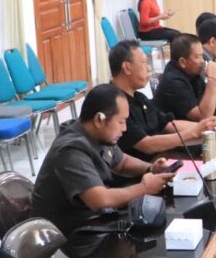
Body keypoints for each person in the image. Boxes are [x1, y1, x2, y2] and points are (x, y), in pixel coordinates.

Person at [30, 85, 175, 235]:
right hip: (65, 234)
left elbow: (121, 162)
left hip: (89, 220)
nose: (124, 128)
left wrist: (150, 168)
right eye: (120, 122)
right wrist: (145, 187)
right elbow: (101, 200)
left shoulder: (97, 134)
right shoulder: (71, 151)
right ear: (99, 119)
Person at [108, 40, 216, 161]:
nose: (149, 68)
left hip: (157, 161)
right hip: (134, 174)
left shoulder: (139, 98)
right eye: (144, 62)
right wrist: (194, 131)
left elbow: (169, 124)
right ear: (127, 68)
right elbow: (147, 145)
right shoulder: (112, 103)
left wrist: (207, 127)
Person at [153, 34, 216, 122]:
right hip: (172, 133)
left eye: (202, 55)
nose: (202, 61)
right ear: (182, 62)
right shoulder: (174, 82)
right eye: (198, 56)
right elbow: (203, 117)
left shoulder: (192, 72)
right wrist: (212, 79)